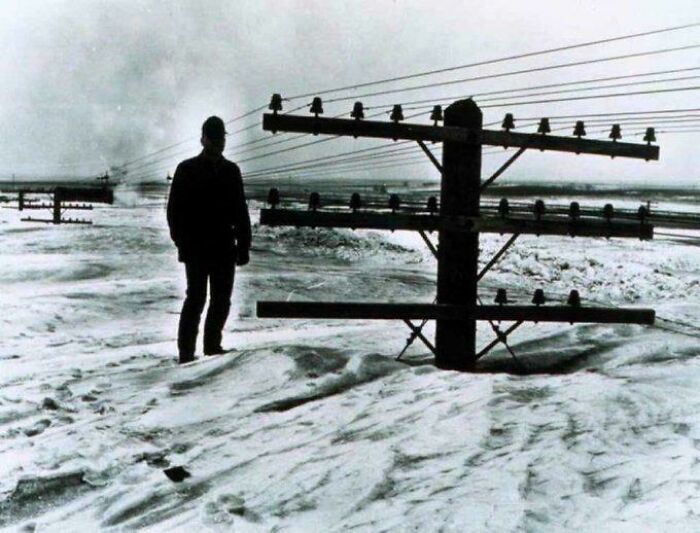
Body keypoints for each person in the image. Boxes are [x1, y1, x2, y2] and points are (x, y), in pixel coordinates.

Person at [167, 116, 251, 364]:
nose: (219, 142)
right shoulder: (187, 169)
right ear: (203, 139)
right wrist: (182, 243)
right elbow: (174, 212)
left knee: (221, 300)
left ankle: (212, 347)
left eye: (222, 138)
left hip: (224, 248)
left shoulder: (231, 171)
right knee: (196, 299)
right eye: (215, 138)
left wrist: (243, 245)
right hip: (197, 248)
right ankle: (186, 354)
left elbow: (240, 211)